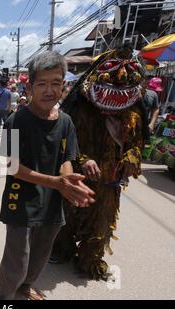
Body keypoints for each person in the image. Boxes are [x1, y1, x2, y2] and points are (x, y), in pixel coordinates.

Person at [0, 51, 95, 300]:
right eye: (42, 84)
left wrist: (68, 182)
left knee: (39, 257)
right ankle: (2, 294)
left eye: (56, 83)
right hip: (20, 205)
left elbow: (67, 159)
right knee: (17, 261)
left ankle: (26, 289)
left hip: (52, 204)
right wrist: (56, 183)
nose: (49, 90)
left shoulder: (67, 122)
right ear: (30, 87)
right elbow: (12, 167)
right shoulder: (14, 120)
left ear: (64, 85)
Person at [53, 47, 146, 280]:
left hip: (109, 182)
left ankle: (89, 259)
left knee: (100, 224)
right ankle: (62, 249)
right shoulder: (80, 111)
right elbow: (67, 144)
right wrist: (83, 160)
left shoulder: (133, 115)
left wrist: (131, 158)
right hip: (78, 176)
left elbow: (136, 144)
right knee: (69, 217)